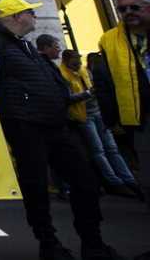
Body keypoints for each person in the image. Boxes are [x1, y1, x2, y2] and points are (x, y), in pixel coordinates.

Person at [0, 0, 121, 260]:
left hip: (55, 125)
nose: (35, 17)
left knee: (86, 180)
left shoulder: (26, 46)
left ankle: (92, 242)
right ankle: (49, 243)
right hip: (25, 126)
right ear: (15, 17)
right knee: (36, 187)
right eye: (29, 12)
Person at [59, 49, 141, 199]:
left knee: (111, 148)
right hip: (84, 117)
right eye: (75, 60)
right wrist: (88, 94)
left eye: (79, 59)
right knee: (98, 150)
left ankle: (128, 180)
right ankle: (114, 182)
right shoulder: (63, 75)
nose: (78, 62)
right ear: (66, 60)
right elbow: (67, 98)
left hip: (97, 112)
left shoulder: (84, 71)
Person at [97, 0, 150, 182]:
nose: (128, 12)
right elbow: (105, 81)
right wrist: (111, 118)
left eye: (134, 7)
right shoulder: (109, 39)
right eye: (122, 9)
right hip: (140, 118)